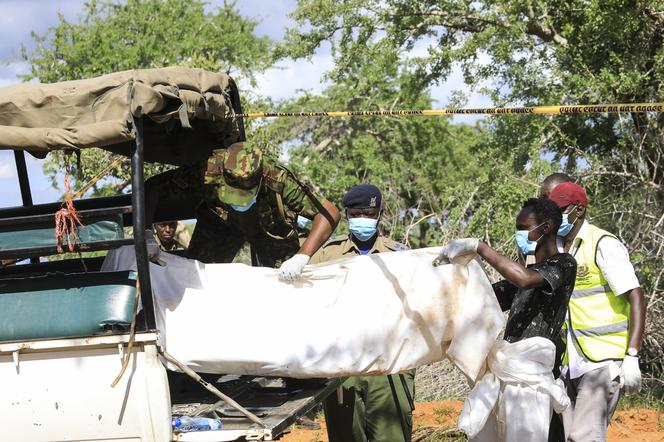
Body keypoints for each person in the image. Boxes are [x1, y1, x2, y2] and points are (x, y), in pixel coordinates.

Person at [309, 183, 416, 442]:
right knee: (346, 435)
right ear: (347, 215)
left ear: (379, 214)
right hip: (342, 366)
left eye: (368, 214)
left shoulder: (399, 255)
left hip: (389, 365)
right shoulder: (326, 255)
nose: (362, 220)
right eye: (356, 214)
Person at [146, 142, 340, 280]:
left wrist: (301, 257)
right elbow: (152, 187)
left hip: (269, 228)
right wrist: (145, 234)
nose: (238, 199)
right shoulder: (207, 169)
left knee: (287, 282)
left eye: (244, 194)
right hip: (220, 225)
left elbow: (329, 213)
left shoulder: (277, 178)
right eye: (232, 193)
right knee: (194, 277)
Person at [548, 182, 645, 442]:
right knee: (566, 436)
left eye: (560, 211)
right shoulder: (557, 247)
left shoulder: (602, 244)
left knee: (584, 437)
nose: (554, 217)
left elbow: (636, 297)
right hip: (572, 361)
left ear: (578, 210)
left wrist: (632, 355)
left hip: (602, 359)